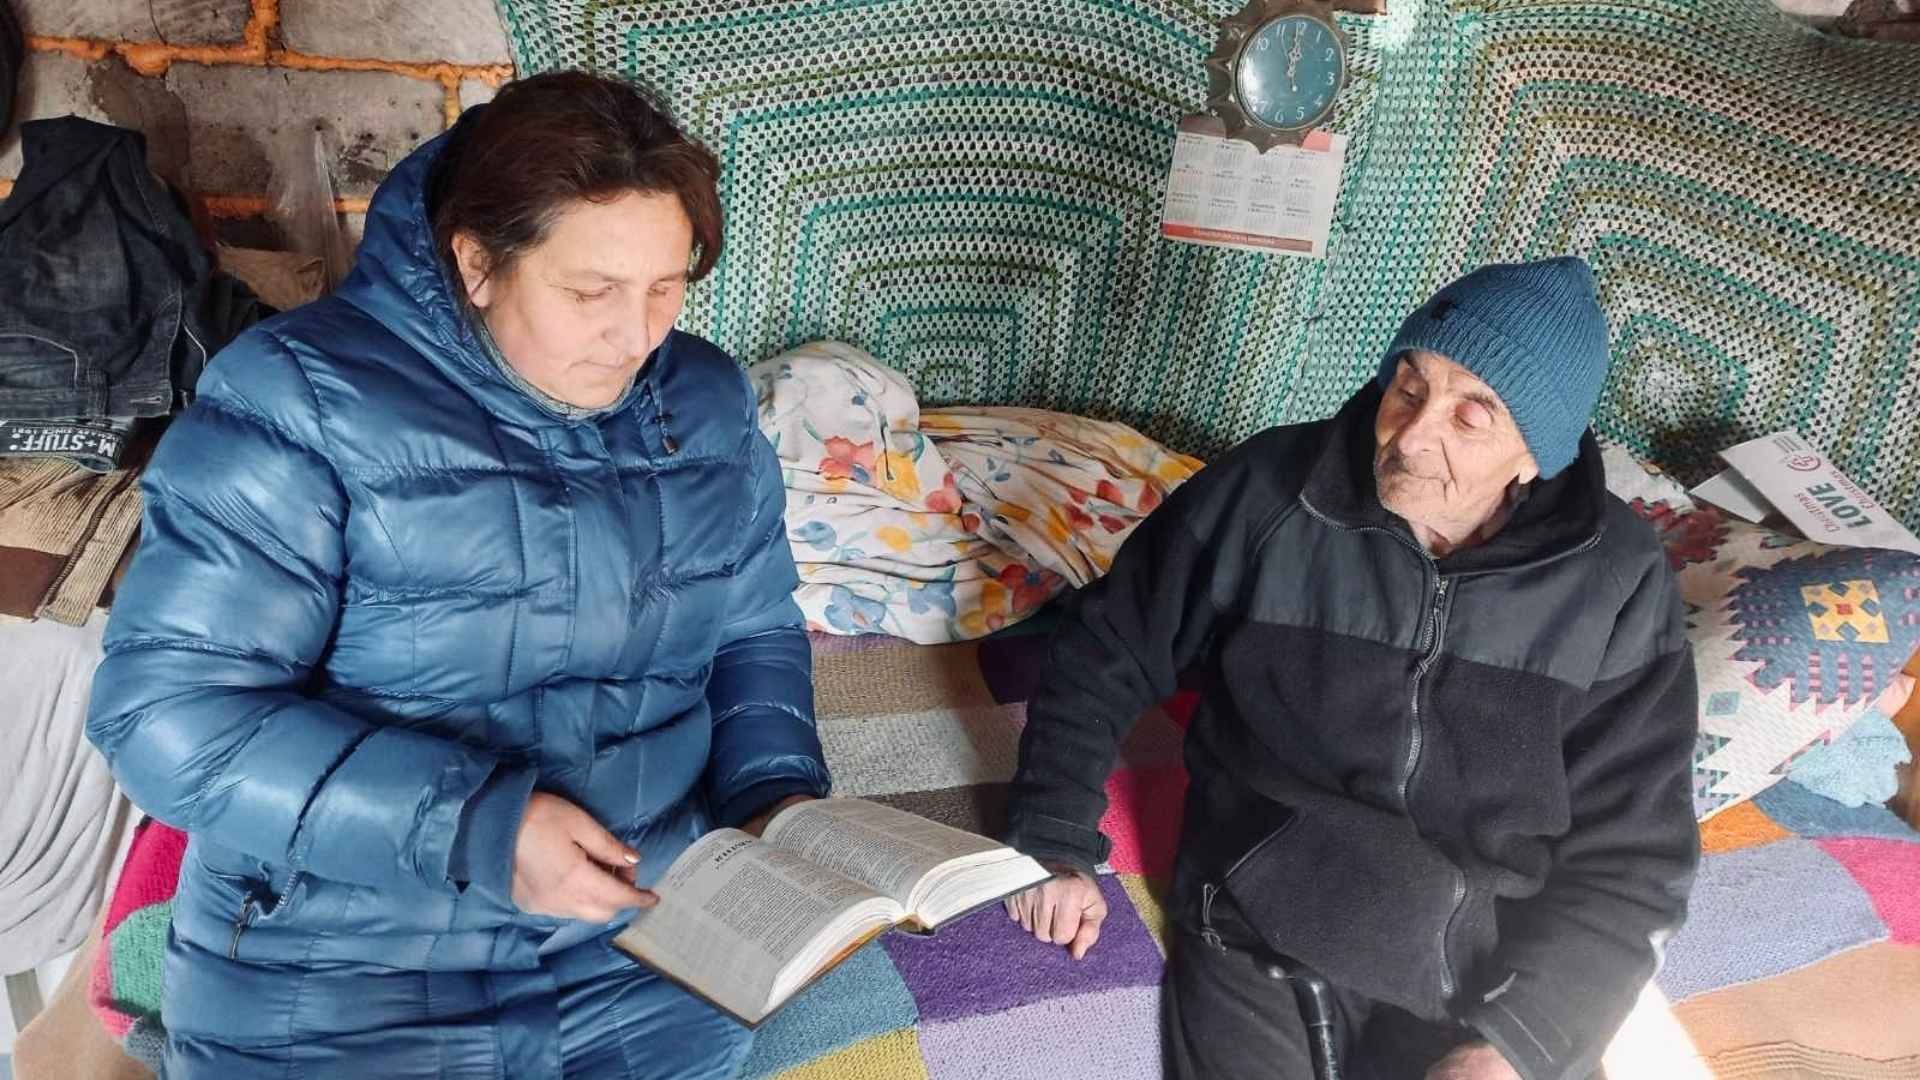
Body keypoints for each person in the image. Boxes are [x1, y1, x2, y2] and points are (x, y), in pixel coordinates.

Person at [85, 71, 829, 1079]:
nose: (636, 336)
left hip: (642, 954)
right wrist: (481, 826)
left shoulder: (701, 399)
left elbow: (752, 631)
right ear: (477, 263)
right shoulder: (297, 399)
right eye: (589, 291)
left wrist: (775, 796)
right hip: (347, 970)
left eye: (667, 287)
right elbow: (168, 718)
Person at [1002, 258, 1698, 1080]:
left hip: (1488, 964)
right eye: (1409, 387)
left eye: (1471, 414)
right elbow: (1104, 648)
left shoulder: (1616, 579)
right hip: (1257, 921)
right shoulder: (1269, 494)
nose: (1410, 435)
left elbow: (1636, 856)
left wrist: (1522, 1042)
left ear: (1534, 456)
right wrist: (1051, 840)